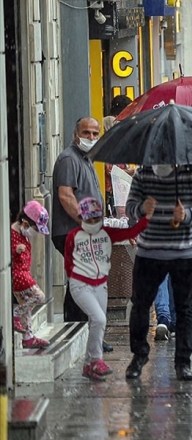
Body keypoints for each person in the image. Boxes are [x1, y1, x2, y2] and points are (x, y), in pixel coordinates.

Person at [125, 164, 192, 381]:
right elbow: (130, 207)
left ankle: (183, 361)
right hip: (150, 252)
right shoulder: (143, 173)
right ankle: (139, 355)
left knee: (184, 309)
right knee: (140, 305)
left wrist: (187, 214)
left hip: (184, 252)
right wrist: (141, 209)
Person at [65, 197, 155, 380]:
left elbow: (132, 231)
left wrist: (147, 217)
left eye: (96, 219)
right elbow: (68, 264)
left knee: (98, 322)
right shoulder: (73, 237)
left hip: (100, 284)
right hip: (81, 284)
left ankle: (89, 364)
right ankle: (96, 360)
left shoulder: (106, 233)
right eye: (88, 220)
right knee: (98, 319)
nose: (92, 223)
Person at [52, 117, 116, 352]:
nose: (90, 138)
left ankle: (82, 332)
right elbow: (66, 195)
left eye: (94, 134)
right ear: (75, 134)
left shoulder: (86, 159)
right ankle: (81, 332)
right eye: (86, 133)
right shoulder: (69, 159)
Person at [10, 201, 51, 348]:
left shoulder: (23, 234)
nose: (36, 233)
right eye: (35, 229)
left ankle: (28, 336)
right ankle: (15, 313)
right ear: (25, 223)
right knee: (39, 297)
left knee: (26, 305)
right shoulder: (11, 234)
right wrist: (15, 250)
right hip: (19, 275)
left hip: (24, 273)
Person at [102, 95, 136, 217]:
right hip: (112, 193)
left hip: (117, 193)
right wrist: (129, 171)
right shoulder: (110, 126)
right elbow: (110, 170)